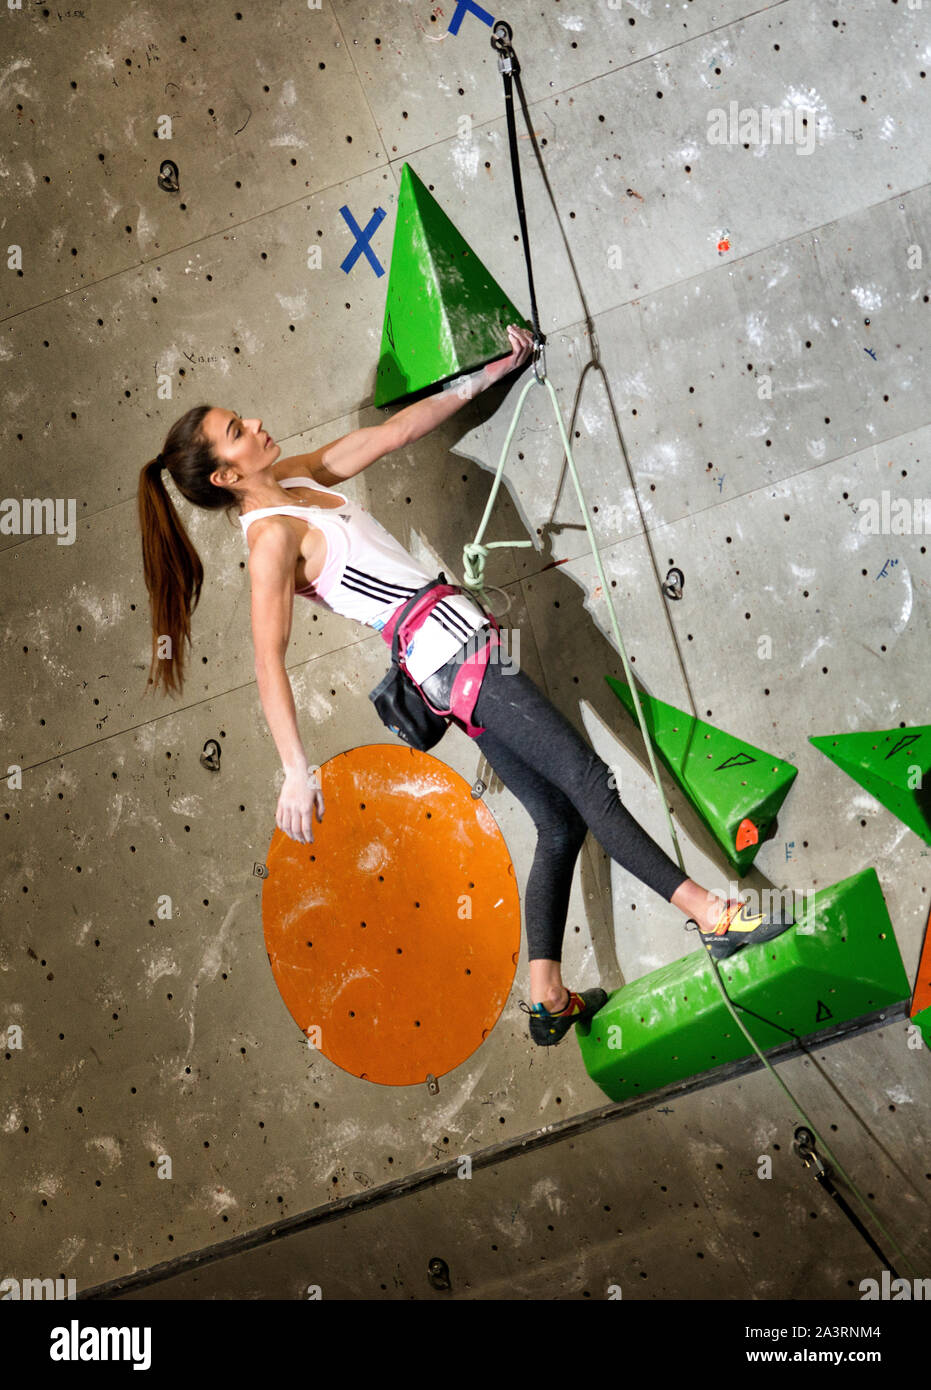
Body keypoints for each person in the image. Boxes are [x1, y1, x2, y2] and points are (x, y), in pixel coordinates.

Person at [137, 325, 793, 1048]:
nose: (255, 423)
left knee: (559, 819)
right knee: (589, 780)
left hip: (454, 654)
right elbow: (268, 660)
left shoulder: (293, 478)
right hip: (455, 657)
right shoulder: (269, 541)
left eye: (243, 417)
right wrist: (294, 769)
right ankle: (711, 915)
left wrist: (487, 376)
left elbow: (389, 436)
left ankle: (546, 995)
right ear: (225, 475)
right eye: (237, 430)